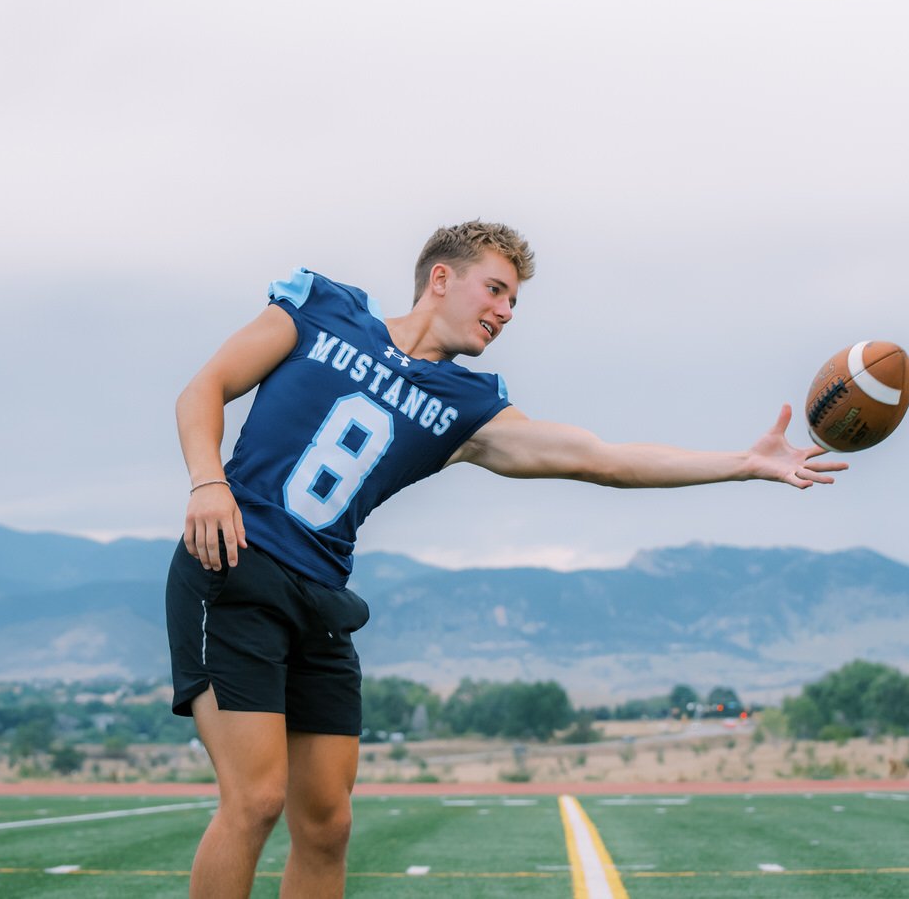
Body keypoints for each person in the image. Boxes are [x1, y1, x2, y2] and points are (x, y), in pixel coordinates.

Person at [166, 220, 847, 897]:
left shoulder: (466, 410)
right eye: (495, 290)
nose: (505, 312)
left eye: (514, 301)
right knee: (256, 800)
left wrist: (743, 463)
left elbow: (601, 460)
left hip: (319, 599)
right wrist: (208, 481)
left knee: (327, 824)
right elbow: (204, 387)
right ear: (441, 278)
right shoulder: (321, 308)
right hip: (234, 563)